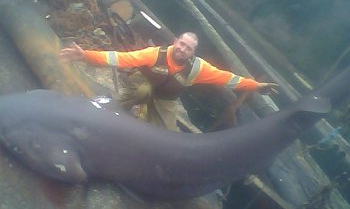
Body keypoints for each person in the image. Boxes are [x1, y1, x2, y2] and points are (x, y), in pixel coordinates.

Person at [60, 32, 277, 131]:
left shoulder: (200, 69)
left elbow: (229, 79)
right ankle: (114, 108)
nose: (183, 49)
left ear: (193, 52)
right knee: (142, 91)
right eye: (181, 44)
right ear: (175, 42)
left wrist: (256, 86)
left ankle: (146, 117)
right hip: (143, 85)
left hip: (166, 98)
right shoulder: (154, 53)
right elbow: (119, 58)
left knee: (167, 136)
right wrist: (85, 55)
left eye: (188, 48)